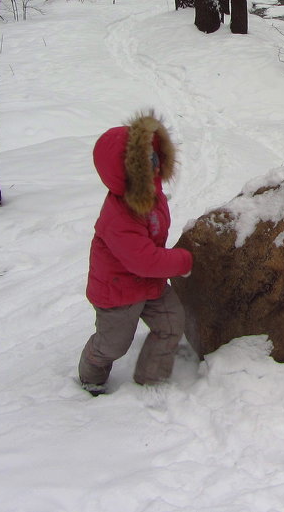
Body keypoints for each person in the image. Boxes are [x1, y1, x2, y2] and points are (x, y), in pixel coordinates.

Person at [78, 111, 193, 395]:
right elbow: (144, 259)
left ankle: (150, 380)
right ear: (129, 173)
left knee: (171, 321)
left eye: (155, 156)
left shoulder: (152, 196)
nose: (155, 165)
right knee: (113, 344)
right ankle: (92, 371)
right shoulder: (119, 216)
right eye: (147, 162)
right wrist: (183, 261)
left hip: (148, 285)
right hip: (116, 293)